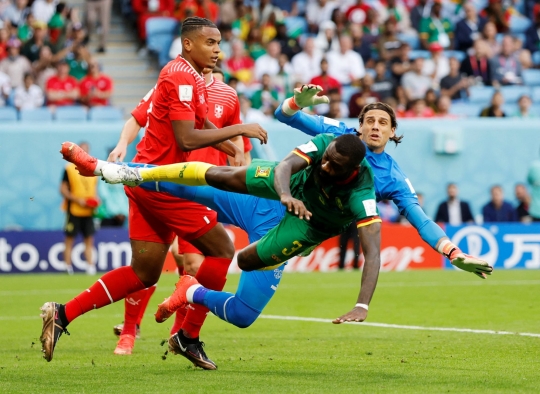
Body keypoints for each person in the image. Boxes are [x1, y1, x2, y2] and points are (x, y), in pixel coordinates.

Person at [39, 17, 267, 369]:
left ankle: (62, 314)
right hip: (164, 184)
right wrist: (239, 129)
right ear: (188, 44)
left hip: (145, 181)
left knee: (144, 274)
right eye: (210, 43)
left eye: (219, 42)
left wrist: (229, 140)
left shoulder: (192, 78)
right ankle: (187, 335)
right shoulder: (178, 75)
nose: (218, 50)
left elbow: (199, 122)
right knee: (222, 249)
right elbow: (186, 138)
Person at [60, 142, 99, 276]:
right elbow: (63, 189)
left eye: (86, 151)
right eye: (81, 150)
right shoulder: (69, 169)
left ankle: (90, 266)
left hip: (88, 211)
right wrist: (78, 200)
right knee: (70, 239)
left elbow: (93, 190)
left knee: (89, 239)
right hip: (74, 210)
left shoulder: (92, 170)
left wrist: (95, 201)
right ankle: (67, 266)